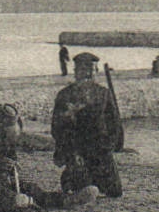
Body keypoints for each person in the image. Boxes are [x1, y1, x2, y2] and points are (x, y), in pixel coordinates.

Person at [51, 52, 123, 198]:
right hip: (76, 150)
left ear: (96, 72)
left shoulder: (103, 93)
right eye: (84, 70)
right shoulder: (65, 95)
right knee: (82, 188)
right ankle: (70, 177)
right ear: (76, 72)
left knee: (114, 192)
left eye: (92, 70)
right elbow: (57, 128)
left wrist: (109, 146)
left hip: (100, 150)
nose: (88, 74)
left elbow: (113, 123)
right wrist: (70, 152)